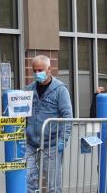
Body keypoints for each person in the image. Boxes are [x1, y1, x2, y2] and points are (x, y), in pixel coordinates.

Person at [25, 55, 73, 193]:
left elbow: (67, 116)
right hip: (31, 144)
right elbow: (22, 115)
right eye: (35, 70)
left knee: (53, 185)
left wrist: (62, 140)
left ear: (49, 69)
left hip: (52, 143)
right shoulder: (29, 89)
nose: (37, 73)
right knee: (27, 179)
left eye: (41, 70)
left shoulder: (60, 90)